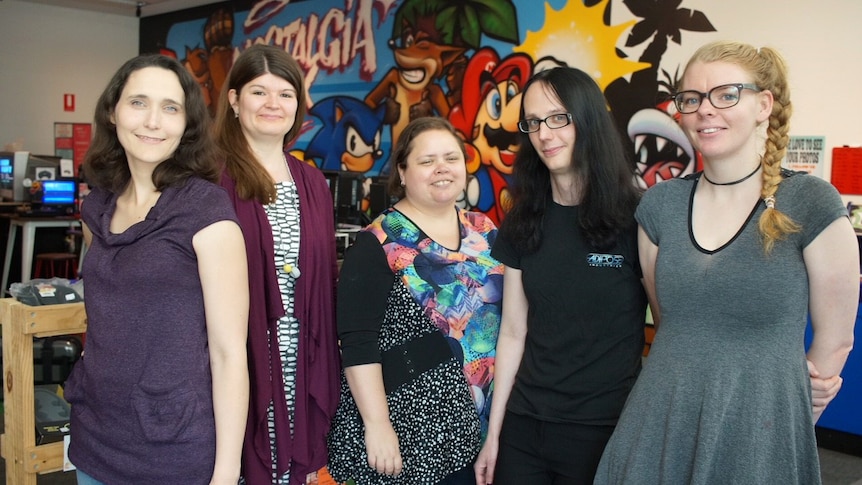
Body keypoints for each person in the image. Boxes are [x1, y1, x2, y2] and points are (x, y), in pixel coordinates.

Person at [594, 40, 859, 484]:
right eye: (691, 99)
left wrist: (794, 406)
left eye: (726, 94)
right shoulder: (660, 206)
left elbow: (835, 341)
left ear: (763, 104)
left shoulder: (810, 202)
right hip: (660, 418)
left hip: (761, 427)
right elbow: (671, 321)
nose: (705, 110)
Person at [64, 54, 249, 484]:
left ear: (187, 124)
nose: (152, 121)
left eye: (170, 108)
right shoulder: (97, 208)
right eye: (138, 103)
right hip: (94, 437)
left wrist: (226, 472)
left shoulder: (207, 212)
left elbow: (229, 354)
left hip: (172, 449)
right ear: (113, 112)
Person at [472, 66, 648, 485]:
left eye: (558, 118)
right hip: (524, 424)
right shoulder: (523, 220)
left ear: (587, 119)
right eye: (533, 123)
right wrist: (493, 434)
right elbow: (514, 332)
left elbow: (669, 328)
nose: (544, 134)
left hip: (603, 429)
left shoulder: (636, 218)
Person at [327, 116, 504, 485]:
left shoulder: (486, 231)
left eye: (451, 158)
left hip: (480, 427)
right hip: (409, 432)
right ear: (403, 173)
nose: (442, 169)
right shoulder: (377, 242)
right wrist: (377, 427)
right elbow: (357, 343)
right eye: (427, 161)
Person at [213, 44, 341, 485]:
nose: (274, 104)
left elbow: (324, 280)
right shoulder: (209, 179)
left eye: (285, 94)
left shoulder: (312, 181)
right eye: (259, 92)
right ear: (233, 100)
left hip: (300, 357)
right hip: (236, 360)